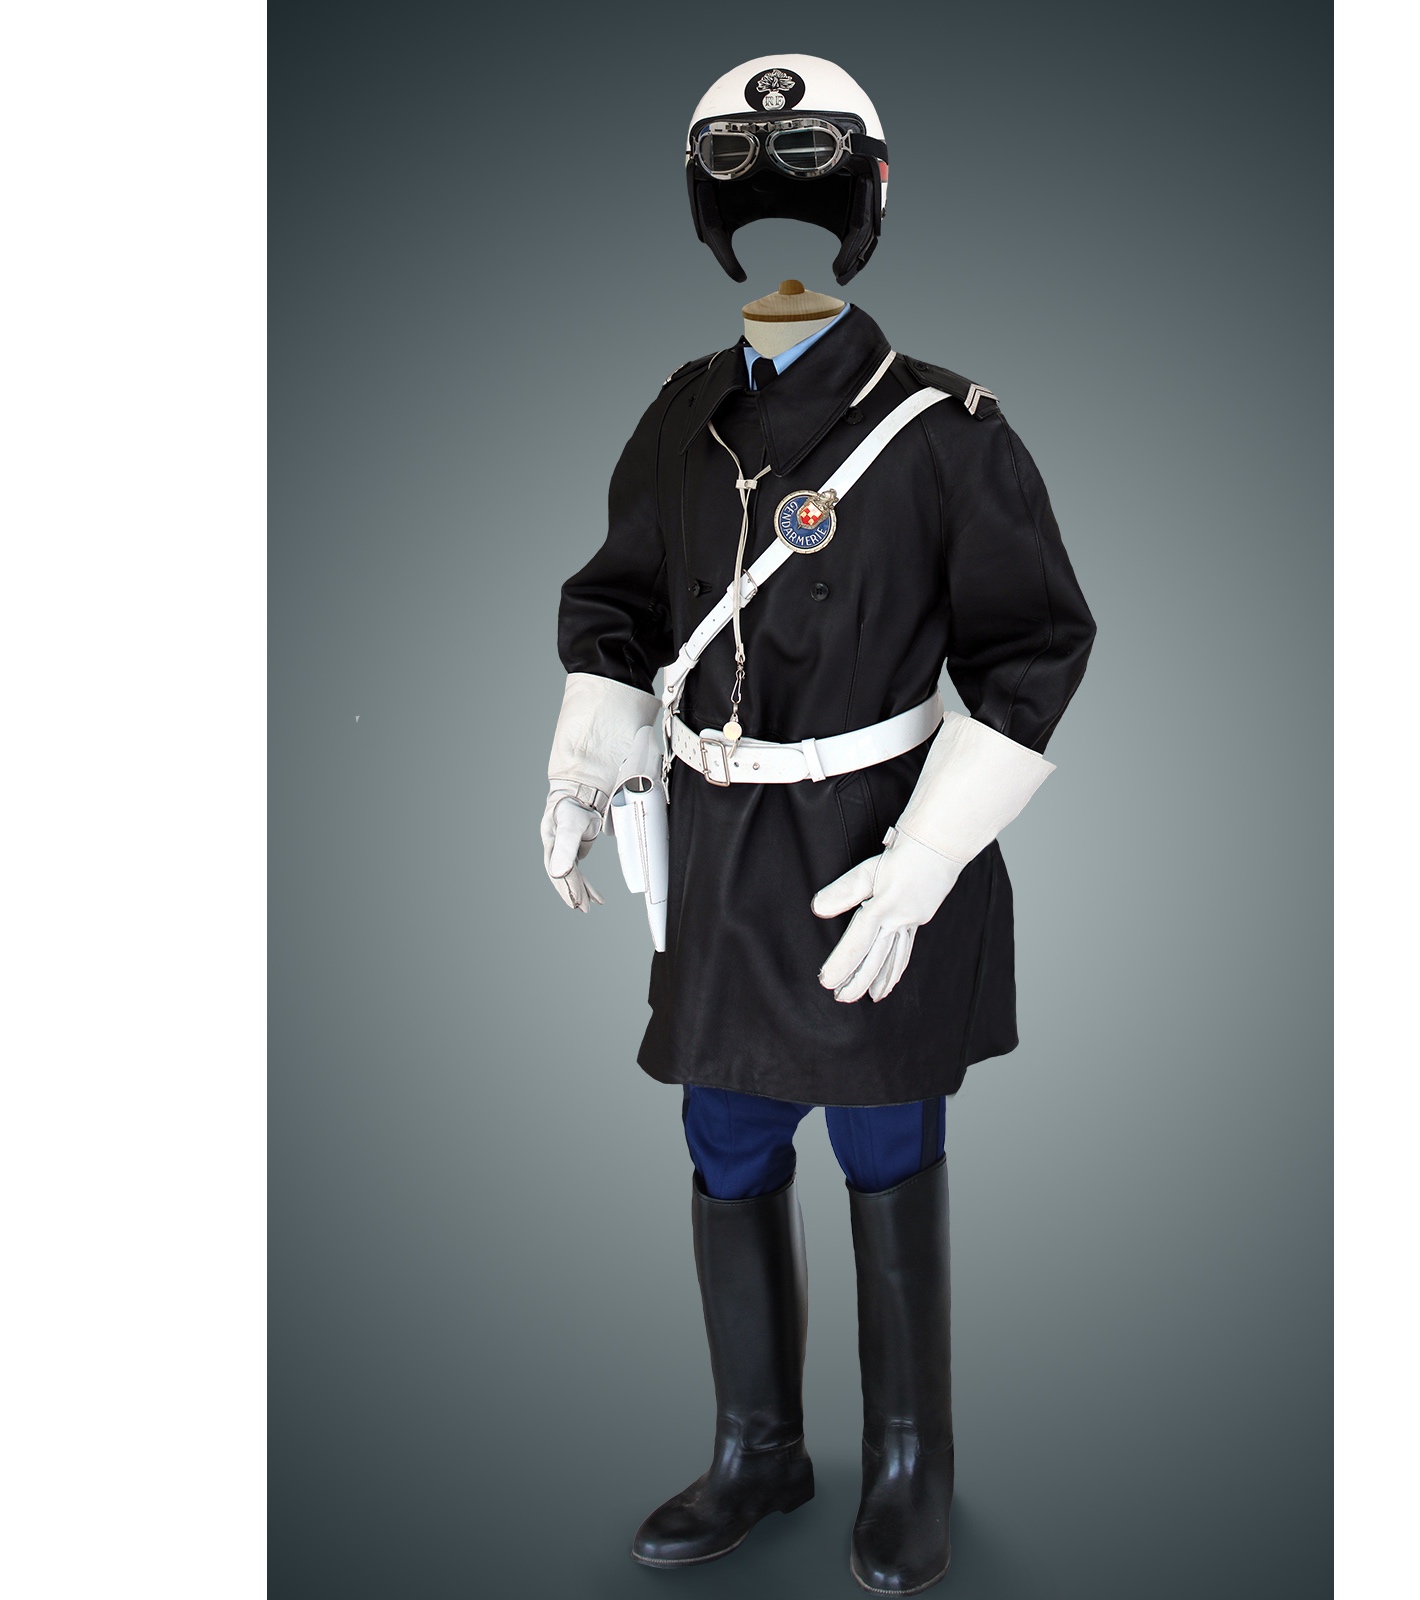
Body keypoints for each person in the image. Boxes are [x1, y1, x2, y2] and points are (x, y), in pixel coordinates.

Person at [540, 55, 1096, 1595]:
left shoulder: (944, 428)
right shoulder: (681, 412)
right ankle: (757, 1451)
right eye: (741, 176)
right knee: (724, 1131)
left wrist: (931, 852)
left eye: (804, 179)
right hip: (718, 845)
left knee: (882, 1130)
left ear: (861, 203)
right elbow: (617, 603)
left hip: (876, 840)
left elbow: (1034, 646)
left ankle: (910, 1462)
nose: (774, 226)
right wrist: (582, 769)